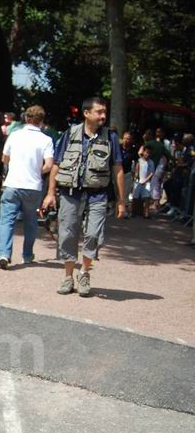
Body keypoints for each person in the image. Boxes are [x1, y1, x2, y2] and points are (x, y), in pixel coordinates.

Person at [41, 97, 126, 297]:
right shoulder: (70, 134)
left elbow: (118, 169)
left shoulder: (111, 137)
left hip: (98, 194)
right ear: (86, 113)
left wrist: (122, 201)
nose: (103, 116)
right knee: (67, 234)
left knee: (94, 234)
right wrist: (50, 193)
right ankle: (68, 277)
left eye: (104, 112)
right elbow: (57, 164)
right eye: (99, 112)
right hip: (70, 193)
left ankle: (84, 273)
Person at [0, 105, 54, 269]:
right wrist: (37, 170)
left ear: (26, 118)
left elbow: (4, 158)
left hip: (13, 183)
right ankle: (27, 254)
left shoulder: (14, 135)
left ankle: (4, 253)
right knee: (31, 221)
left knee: (6, 220)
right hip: (33, 186)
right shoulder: (46, 140)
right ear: (41, 121)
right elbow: (49, 165)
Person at [132, 145, 153, 219]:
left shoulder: (151, 162)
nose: (148, 154)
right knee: (135, 197)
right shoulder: (139, 160)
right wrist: (135, 178)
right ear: (143, 152)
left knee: (147, 197)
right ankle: (133, 212)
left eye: (149, 153)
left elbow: (151, 173)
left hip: (147, 182)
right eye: (146, 152)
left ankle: (146, 213)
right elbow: (135, 170)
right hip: (138, 181)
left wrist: (146, 180)